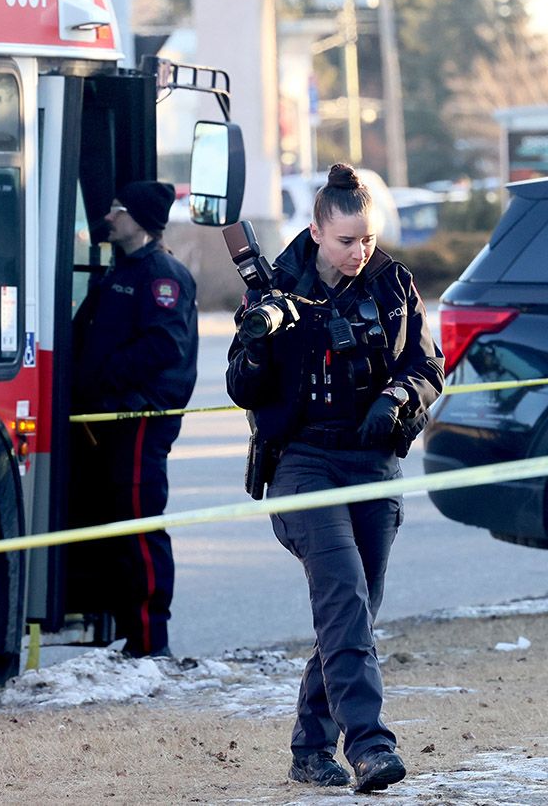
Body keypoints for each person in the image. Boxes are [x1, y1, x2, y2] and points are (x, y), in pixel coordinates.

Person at [225, 164, 444, 793]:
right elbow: (242, 387)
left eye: (368, 239)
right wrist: (261, 339)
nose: (360, 251)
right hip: (304, 463)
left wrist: (399, 396)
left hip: (373, 461)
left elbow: (427, 366)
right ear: (317, 230)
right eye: (348, 240)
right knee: (344, 594)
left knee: (356, 609)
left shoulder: (394, 283)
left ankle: (309, 746)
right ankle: (371, 746)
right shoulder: (277, 287)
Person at [72, 180, 197, 659]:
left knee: (140, 522)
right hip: (110, 416)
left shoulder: (162, 276)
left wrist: (104, 377)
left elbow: (164, 346)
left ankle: (150, 641)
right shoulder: (120, 270)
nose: (109, 215)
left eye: (118, 208)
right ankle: (131, 635)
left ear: (140, 220)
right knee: (114, 523)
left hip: (140, 416)